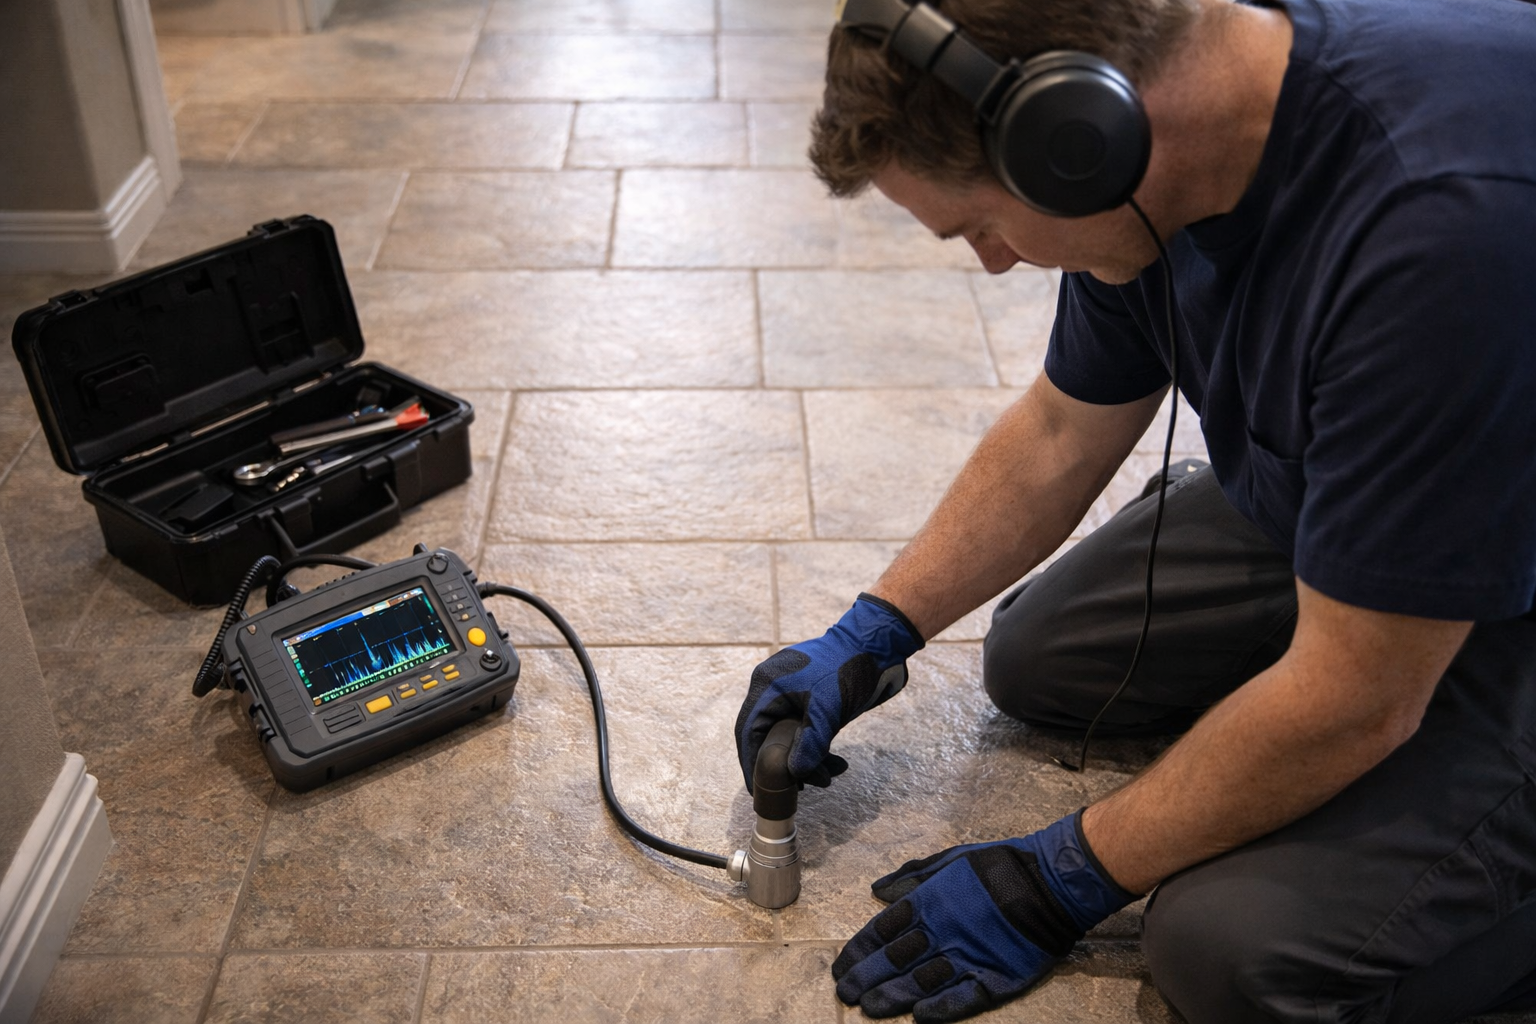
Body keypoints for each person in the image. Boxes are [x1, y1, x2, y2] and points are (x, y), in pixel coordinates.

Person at [732, 0, 1536, 1020]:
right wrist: (876, 624)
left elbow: (1359, 697)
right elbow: (1065, 430)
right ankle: (1354, 559)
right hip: (1418, 471)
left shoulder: (1438, 228)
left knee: (1228, 951)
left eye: (980, 223)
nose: (992, 259)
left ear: (1076, 138)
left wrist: (1061, 871)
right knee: (1048, 652)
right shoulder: (1140, 172)